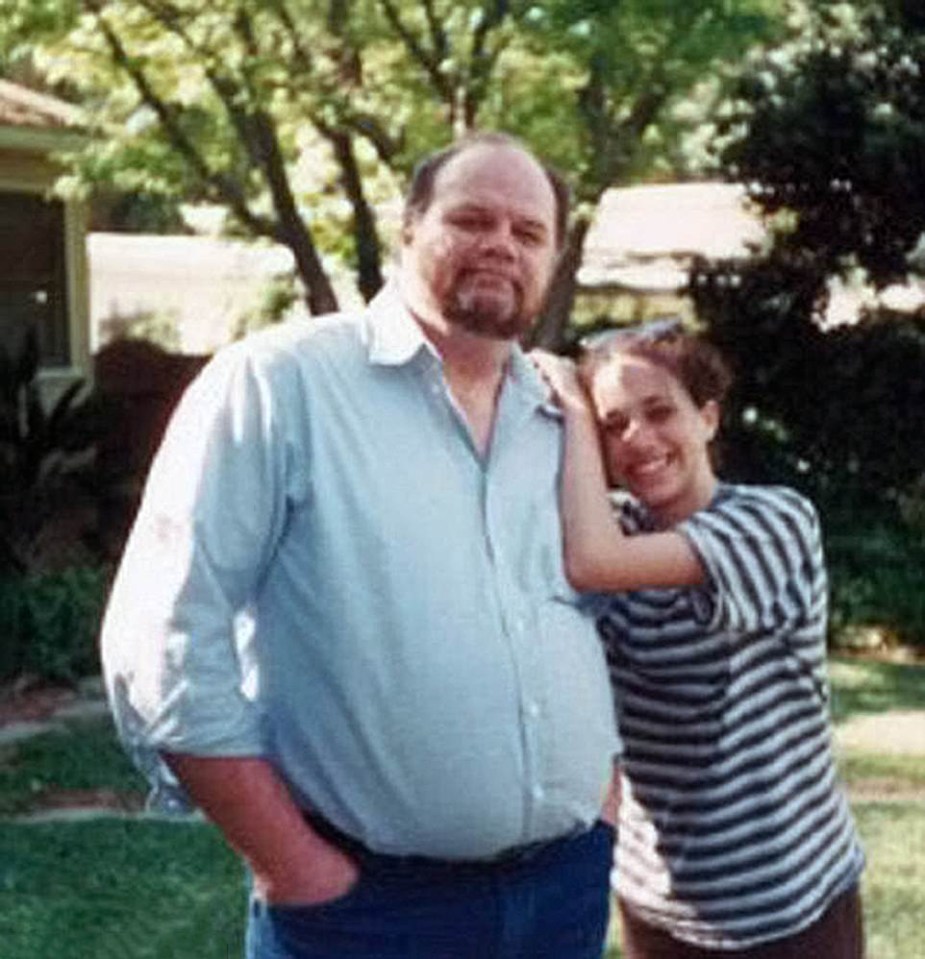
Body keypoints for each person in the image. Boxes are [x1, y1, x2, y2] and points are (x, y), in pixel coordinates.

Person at [100, 131, 621, 959]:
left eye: (527, 232)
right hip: (362, 912)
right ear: (408, 228)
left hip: (562, 894)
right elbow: (165, 639)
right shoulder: (280, 384)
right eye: (471, 218)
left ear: (553, 258)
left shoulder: (562, 414)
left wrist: (602, 807)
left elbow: (598, 610)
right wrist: (290, 861)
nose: (499, 243)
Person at [531, 327, 865, 958]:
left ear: (707, 418)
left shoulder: (773, 523)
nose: (639, 439)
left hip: (789, 899)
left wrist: (575, 406)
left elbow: (597, 564)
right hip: (657, 899)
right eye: (614, 424)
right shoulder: (609, 527)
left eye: (660, 412)